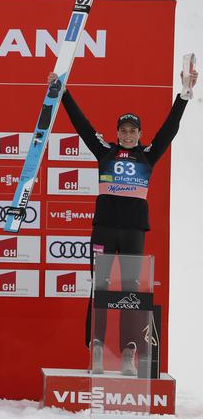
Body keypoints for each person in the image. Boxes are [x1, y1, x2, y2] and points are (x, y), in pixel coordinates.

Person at [49, 68, 198, 375]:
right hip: (103, 229)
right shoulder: (104, 151)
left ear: (139, 134)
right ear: (117, 133)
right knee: (99, 287)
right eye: (124, 130)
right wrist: (64, 93)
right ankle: (98, 348)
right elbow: (82, 126)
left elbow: (170, 129)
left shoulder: (148, 155)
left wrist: (183, 95)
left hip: (132, 232)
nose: (128, 134)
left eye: (133, 131)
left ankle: (129, 350)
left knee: (131, 289)